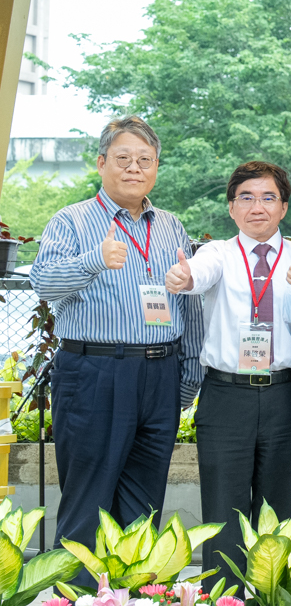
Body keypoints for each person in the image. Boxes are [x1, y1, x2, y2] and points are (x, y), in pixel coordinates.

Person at [31, 117, 203, 553]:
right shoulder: (71, 221)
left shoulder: (169, 225)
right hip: (94, 373)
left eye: (145, 160)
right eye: (123, 158)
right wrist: (94, 259)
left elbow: (188, 300)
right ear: (101, 163)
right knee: (87, 500)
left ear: (157, 167)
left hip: (159, 373)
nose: (134, 168)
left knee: (145, 503)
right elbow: (45, 283)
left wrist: (187, 374)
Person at [164, 161, 291, 576]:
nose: (257, 207)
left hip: (287, 395)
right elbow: (197, 273)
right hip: (227, 397)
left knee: (278, 511)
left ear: (284, 207)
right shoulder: (217, 253)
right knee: (224, 511)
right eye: (246, 197)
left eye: (268, 197)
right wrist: (183, 275)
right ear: (231, 208)